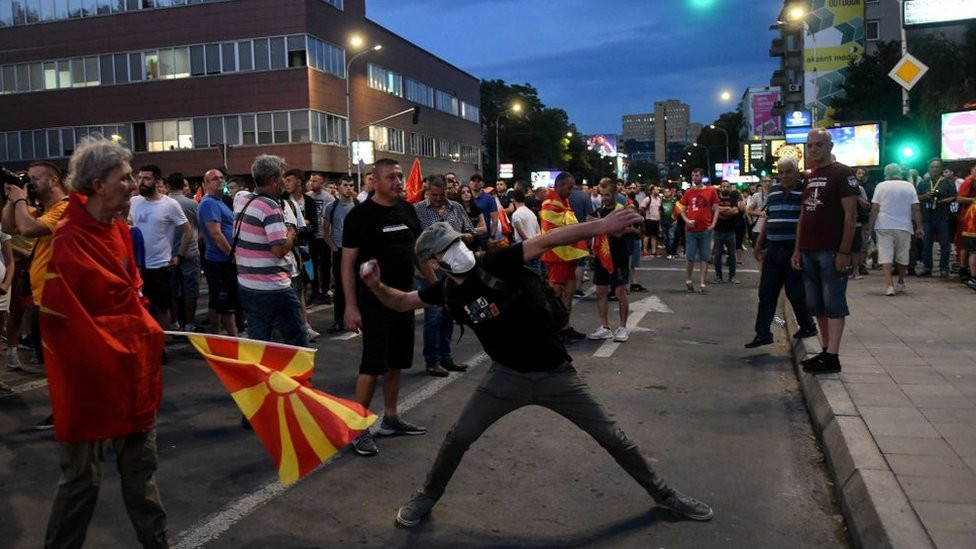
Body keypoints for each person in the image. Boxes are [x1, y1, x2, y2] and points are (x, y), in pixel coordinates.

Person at [359, 211, 713, 528]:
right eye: (446, 249)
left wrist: (601, 226)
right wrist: (376, 286)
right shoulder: (447, 292)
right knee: (458, 438)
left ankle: (665, 495)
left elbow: (546, 239)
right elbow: (403, 302)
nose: (457, 250)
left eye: (456, 242)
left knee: (613, 438)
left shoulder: (495, 263)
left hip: (556, 374)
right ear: (435, 262)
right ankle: (427, 496)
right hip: (505, 377)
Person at [41, 137, 168, 548]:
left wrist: (141, 326)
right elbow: (69, 324)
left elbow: (130, 295)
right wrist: (140, 328)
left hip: (132, 374)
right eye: (126, 178)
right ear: (97, 184)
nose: (134, 185)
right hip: (89, 382)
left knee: (142, 473)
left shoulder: (119, 232)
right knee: (81, 481)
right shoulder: (68, 239)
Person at [341, 159, 429, 457]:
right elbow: (347, 263)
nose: (398, 181)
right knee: (372, 364)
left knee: (398, 361)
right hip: (374, 301)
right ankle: (357, 427)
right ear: (375, 181)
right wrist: (351, 306)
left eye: (400, 176)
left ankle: (390, 417)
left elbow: (419, 252)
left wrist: (436, 288)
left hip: (404, 298)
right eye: (391, 177)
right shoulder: (359, 216)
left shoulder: (407, 210)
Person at [3, 161, 71, 429]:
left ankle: (69, 412)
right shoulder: (43, 209)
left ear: (53, 181)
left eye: (35, 179)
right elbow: (8, 227)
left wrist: (20, 198)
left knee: (63, 364)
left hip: (60, 300)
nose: (30, 183)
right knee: (52, 363)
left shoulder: (64, 208)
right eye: (27, 178)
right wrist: (14, 197)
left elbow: (29, 229)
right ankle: (64, 410)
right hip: (44, 298)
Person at [791, 128, 858, 374]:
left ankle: (833, 355)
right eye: (810, 145)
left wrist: (844, 251)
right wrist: (797, 249)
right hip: (808, 249)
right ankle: (826, 350)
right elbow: (804, 215)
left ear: (829, 147)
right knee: (817, 305)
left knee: (834, 304)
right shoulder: (810, 176)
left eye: (819, 145)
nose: (813, 149)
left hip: (831, 250)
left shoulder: (842, 173)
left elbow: (850, 216)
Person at [234, 155, 307, 347]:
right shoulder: (271, 207)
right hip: (273, 288)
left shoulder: (243, 202)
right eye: (283, 177)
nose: (285, 181)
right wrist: (291, 233)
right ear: (274, 180)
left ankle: (264, 377)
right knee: (297, 343)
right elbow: (279, 249)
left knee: (260, 344)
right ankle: (296, 378)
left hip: (247, 284)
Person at [746, 157, 817, 348]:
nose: (784, 176)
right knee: (766, 293)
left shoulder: (804, 191)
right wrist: (759, 243)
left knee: (795, 293)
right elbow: (769, 219)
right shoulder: (775, 191)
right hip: (773, 250)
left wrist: (798, 250)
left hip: (793, 250)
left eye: (788, 172)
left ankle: (808, 325)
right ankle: (763, 333)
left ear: (796, 172)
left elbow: (806, 221)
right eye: (781, 172)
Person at [413, 175, 475, 377]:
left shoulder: (456, 207)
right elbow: (414, 244)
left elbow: (470, 231)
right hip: (428, 269)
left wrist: (465, 237)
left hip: (453, 269)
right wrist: (427, 261)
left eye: (442, 194)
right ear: (427, 191)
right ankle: (432, 361)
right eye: (434, 195)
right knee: (434, 316)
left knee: (450, 313)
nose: (439, 198)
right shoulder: (418, 210)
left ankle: (446, 357)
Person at [128, 164, 192, 329]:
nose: (142, 181)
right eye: (140, 177)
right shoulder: (133, 202)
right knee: (141, 308)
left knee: (162, 308)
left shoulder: (169, 204)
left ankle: (163, 344)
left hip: (160, 267)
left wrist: (179, 256)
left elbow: (188, 231)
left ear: (157, 181)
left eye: (147, 178)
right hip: (137, 268)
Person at [541, 172, 590, 341]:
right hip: (557, 255)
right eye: (569, 188)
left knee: (569, 291)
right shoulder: (549, 203)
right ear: (560, 185)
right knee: (556, 292)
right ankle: (553, 328)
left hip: (567, 254)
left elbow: (569, 224)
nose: (571, 191)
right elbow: (557, 228)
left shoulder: (563, 201)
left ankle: (564, 326)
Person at [867, 164, 924, 296]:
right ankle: (901, 281)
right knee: (903, 254)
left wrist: (870, 227)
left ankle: (889, 286)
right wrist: (920, 227)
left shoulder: (880, 186)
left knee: (885, 254)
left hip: (884, 225)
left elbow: (875, 208)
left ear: (886, 174)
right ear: (900, 173)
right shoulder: (909, 186)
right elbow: (916, 208)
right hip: (904, 226)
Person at [587, 180, 631, 342]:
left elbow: (621, 232)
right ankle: (605, 327)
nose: (604, 198)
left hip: (618, 257)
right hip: (601, 257)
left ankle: (622, 327)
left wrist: (599, 225)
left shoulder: (621, 211)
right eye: (602, 195)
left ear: (614, 194)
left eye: (607, 195)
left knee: (620, 293)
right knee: (600, 292)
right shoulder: (599, 212)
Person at [198, 169, 239, 336]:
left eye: (222, 178)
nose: (220, 181)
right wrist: (232, 255)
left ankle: (224, 335)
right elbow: (215, 233)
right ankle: (230, 337)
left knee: (223, 300)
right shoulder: (209, 203)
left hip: (223, 260)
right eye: (214, 179)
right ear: (206, 184)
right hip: (220, 260)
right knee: (222, 300)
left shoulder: (219, 202)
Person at [165, 172, 201, 331]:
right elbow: (201, 228)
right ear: (183, 186)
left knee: (172, 290)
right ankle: (190, 323)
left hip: (169, 252)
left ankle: (174, 322)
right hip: (191, 252)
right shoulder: (192, 204)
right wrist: (194, 241)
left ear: (167, 186)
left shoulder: (163, 203)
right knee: (190, 289)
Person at [322, 175, 358, 333]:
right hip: (340, 251)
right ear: (338, 187)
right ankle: (338, 319)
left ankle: (356, 317)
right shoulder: (332, 206)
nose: (349, 188)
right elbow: (324, 230)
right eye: (345, 185)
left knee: (357, 285)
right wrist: (333, 247)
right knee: (340, 288)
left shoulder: (358, 205)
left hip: (356, 251)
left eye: (351, 185)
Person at [680, 168, 719, 293]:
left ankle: (702, 283)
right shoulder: (688, 192)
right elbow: (682, 209)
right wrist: (686, 220)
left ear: (702, 176)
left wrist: (713, 224)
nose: (694, 178)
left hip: (705, 229)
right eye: (693, 175)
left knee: (705, 257)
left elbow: (716, 209)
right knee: (690, 257)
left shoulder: (710, 191)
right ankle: (689, 280)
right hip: (691, 230)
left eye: (696, 175)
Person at [916, 158, 955, 277]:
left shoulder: (948, 182)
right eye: (932, 167)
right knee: (926, 244)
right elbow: (917, 197)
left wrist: (942, 200)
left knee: (944, 244)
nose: (934, 169)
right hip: (927, 217)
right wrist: (925, 196)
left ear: (941, 168)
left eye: (937, 167)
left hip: (943, 216)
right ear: (929, 169)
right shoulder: (923, 183)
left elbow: (954, 197)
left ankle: (944, 268)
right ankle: (927, 267)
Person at [307, 172, 335, 304]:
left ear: (322, 183)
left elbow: (330, 217)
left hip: (324, 236)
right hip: (311, 236)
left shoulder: (328, 198)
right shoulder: (307, 197)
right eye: (311, 181)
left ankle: (325, 290)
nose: (312, 183)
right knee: (312, 264)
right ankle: (314, 290)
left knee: (325, 264)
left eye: (315, 181)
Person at [712, 180, 742, 284]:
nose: (725, 188)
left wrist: (720, 210)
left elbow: (736, 210)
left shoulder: (733, 198)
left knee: (732, 255)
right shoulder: (716, 197)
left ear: (729, 188)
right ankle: (718, 277)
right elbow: (714, 208)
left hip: (730, 231)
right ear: (720, 187)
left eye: (727, 186)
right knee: (717, 255)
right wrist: (727, 208)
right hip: (718, 230)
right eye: (723, 186)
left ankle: (732, 277)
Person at [640, 186, 662, 256]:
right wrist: (645, 213)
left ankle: (653, 251)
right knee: (647, 235)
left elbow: (659, 209)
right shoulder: (648, 199)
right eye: (656, 190)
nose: (658, 191)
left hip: (656, 219)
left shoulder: (659, 199)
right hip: (649, 219)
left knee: (654, 236)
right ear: (652, 191)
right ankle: (645, 250)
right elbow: (641, 207)